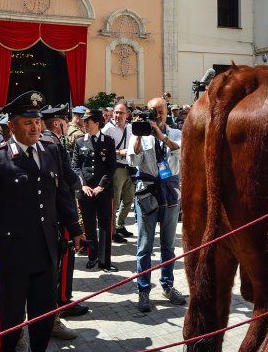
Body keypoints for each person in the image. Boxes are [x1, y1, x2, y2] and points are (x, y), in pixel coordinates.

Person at [0, 91, 84, 352]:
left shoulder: (48, 151)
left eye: (38, 121)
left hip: (47, 249)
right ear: (11, 125)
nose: (35, 128)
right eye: (28, 122)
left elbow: (61, 195)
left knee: (43, 313)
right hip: (12, 253)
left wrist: (75, 229)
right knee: (10, 316)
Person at [130, 97, 186, 313]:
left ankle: (168, 285)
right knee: (144, 245)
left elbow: (179, 151)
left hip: (170, 192)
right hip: (147, 192)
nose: (156, 114)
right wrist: (137, 138)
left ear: (167, 111)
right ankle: (143, 290)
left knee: (168, 245)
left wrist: (160, 136)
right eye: (152, 110)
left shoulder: (174, 132)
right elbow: (133, 161)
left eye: (160, 110)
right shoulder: (139, 131)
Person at [40, 104, 88, 334]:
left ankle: (61, 299)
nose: (67, 124)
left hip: (58, 209)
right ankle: (61, 300)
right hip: (62, 210)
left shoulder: (48, 140)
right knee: (64, 257)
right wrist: (78, 182)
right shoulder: (53, 142)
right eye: (65, 121)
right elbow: (66, 175)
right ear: (58, 123)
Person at [73, 109, 117, 271]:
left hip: (103, 191)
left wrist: (101, 186)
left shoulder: (108, 141)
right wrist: (82, 185)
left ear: (97, 123)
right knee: (89, 225)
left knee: (105, 225)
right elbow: (75, 166)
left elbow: (111, 166)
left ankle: (105, 260)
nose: (84, 124)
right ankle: (92, 257)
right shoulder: (79, 142)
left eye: (87, 121)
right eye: (84, 121)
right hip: (85, 192)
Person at [100, 103, 136, 243]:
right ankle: (112, 231)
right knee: (114, 202)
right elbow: (101, 150)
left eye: (121, 113)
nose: (118, 116)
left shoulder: (131, 128)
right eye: (116, 112)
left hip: (130, 168)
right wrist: (118, 152)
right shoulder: (107, 129)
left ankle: (120, 225)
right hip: (116, 168)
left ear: (127, 114)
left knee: (129, 199)